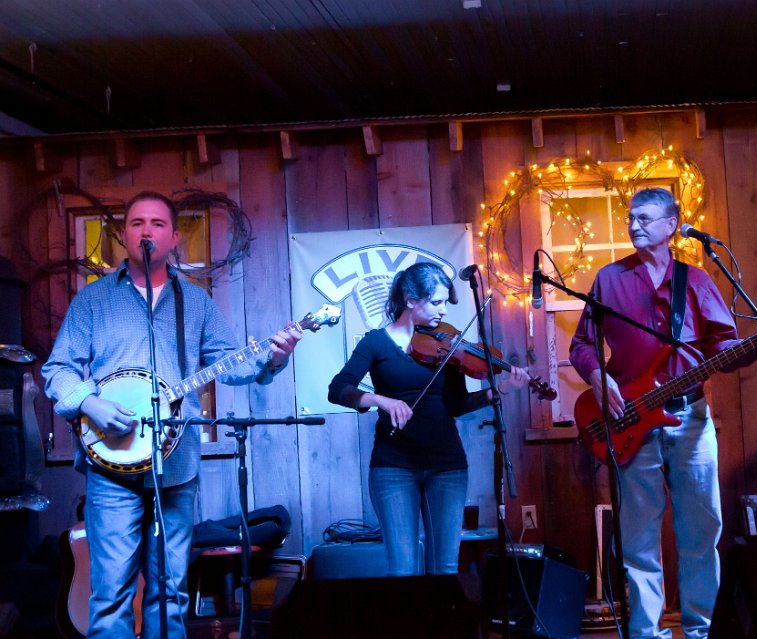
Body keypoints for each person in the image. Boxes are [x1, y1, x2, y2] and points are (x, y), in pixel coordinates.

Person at [42, 191, 301, 639]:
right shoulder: (93, 300)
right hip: (110, 468)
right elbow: (58, 369)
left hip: (175, 467)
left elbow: (228, 363)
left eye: (158, 224)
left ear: (174, 237)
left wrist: (274, 358)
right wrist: (90, 402)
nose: (147, 231)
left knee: (170, 593)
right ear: (123, 235)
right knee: (110, 595)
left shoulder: (195, 302)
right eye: (137, 222)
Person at [569, 187, 757, 639]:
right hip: (630, 419)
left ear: (670, 225)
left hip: (691, 418)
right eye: (630, 217)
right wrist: (598, 377)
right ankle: (647, 633)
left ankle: (702, 630)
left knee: (701, 531)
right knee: (639, 537)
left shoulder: (695, 280)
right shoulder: (609, 279)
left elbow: (722, 349)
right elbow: (581, 344)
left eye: (644, 218)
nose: (634, 225)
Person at [328, 262, 528, 575]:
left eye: (445, 302)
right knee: (403, 569)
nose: (443, 311)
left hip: (447, 465)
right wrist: (379, 400)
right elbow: (338, 389)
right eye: (436, 302)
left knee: (445, 568)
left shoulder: (448, 345)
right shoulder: (375, 343)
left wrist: (500, 389)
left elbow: (455, 405)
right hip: (393, 467)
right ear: (410, 300)